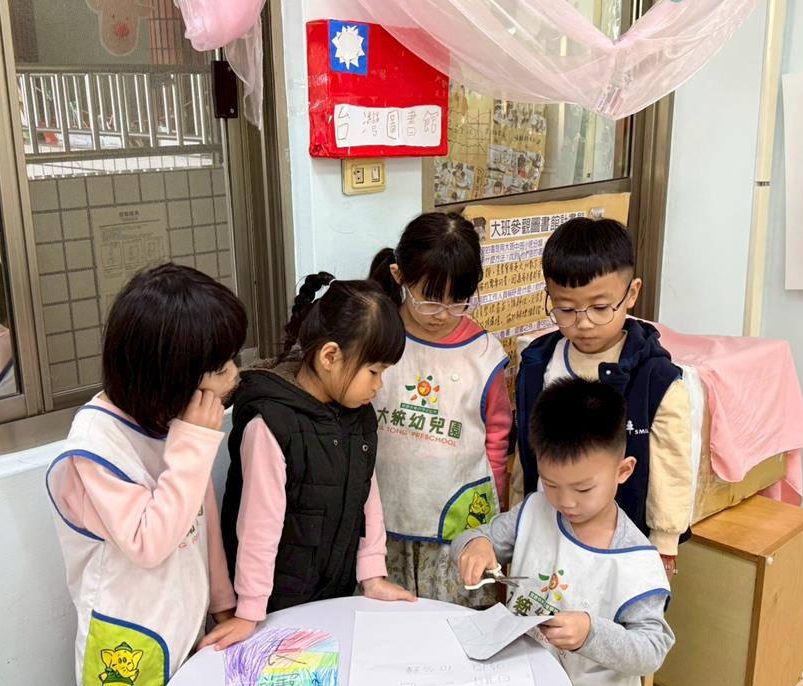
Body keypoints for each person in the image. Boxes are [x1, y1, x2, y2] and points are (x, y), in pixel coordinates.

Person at [47, 264, 247, 686]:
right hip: (135, 643)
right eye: (221, 366)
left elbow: (201, 521)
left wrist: (224, 604)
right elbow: (149, 542)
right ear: (171, 373)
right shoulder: (97, 445)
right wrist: (195, 443)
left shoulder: (171, 422)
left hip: (185, 626)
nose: (234, 376)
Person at [454, 378, 674, 686]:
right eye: (552, 484)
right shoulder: (535, 510)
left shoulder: (636, 561)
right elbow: (476, 537)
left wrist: (591, 633)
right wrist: (476, 546)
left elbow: (652, 650)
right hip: (520, 678)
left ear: (623, 471)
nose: (566, 502)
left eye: (583, 489)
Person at [204, 274, 416, 650]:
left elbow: (367, 496)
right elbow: (258, 526)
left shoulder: (358, 415)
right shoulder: (270, 424)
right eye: (374, 371)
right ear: (330, 356)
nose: (378, 385)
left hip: (333, 594)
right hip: (274, 607)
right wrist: (249, 612)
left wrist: (373, 575)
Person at [513, 217, 693, 581]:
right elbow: (525, 454)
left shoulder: (656, 379)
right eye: (566, 309)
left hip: (619, 540)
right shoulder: (537, 365)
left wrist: (664, 542)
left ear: (631, 293)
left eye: (600, 308)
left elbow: (671, 467)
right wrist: (518, 512)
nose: (583, 323)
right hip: (548, 528)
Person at [369, 212, 512, 605]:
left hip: (457, 526)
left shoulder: (483, 354)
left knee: (455, 625)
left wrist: (495, 520)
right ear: (399, 275)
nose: (444, 314)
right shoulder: (377, 337)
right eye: (430, 300)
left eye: (458, 301)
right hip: (384, 517)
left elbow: (497, 439)